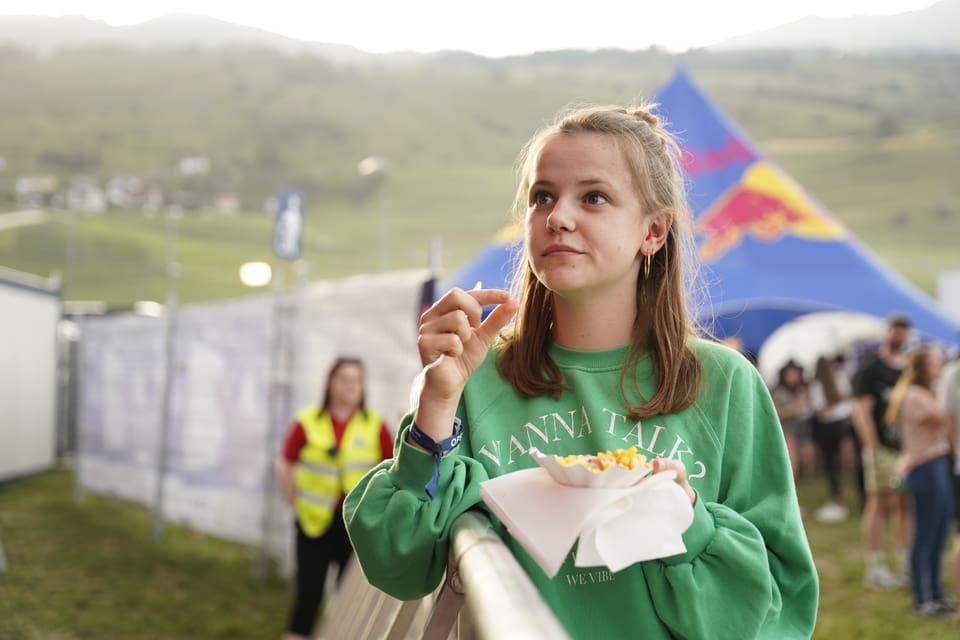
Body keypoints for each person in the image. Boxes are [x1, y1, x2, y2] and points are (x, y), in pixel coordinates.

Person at [344, 103, 818, 638]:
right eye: (542, 196)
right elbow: (399, 566)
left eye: (593, 197)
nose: (558, 217)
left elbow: (781, 611)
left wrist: (687, 519)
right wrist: (436, 399)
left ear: (654, 232)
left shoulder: (725, 382)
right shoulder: (473, 378)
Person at [276, 356, 394, 640]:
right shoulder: (307, 422)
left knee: (348, 599)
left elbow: (393, 472)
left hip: (355, 527)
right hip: (313, 522)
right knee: (308, 596)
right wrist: (294, 503)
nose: (351, 385)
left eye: (357, 380)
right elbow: (284, 463)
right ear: (330, 383)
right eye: (344, 378)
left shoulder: (376, 426)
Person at [886, 346, 953, 616]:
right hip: (923, 467)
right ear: (922, 368)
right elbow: (942, 417)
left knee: (940, 532)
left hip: (937, 464)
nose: (939, 367)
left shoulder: (927, 392)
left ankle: (936, 593)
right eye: (936, 362)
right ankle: (921, 599)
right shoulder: (914, 395)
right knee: (924, 534)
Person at [851, 313, 912, 589]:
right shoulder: (870, 368)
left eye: (903, 331)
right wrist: (872, 447)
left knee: (903, 504)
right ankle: (875, 566)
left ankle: (905, 562)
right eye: (895, 330)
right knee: (879, 502)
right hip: (881, 449)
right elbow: (860, 411)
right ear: (887, 332)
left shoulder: (908, 369)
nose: (898, 336)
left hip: (906, 448)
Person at [809, 354, 859, 522]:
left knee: (832, 465)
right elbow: (848, 397)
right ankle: (856, 497)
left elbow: (820, 411)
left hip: (829, 426)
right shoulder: (838, 379)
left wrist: (832, 402)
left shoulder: (817, 386)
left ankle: (837, 498)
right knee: (847, 463)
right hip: (843, 423)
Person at [772, 359, 816, 483]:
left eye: (795, 374)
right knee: (792, 458)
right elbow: (777, 413)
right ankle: (792, 481)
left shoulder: (802, 389)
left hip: (803, 425)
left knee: (807, 452)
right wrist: (793, 407)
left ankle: (808, 476)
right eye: (790, 375)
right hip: (788, 429)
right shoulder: (778, 392)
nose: (793, 378)